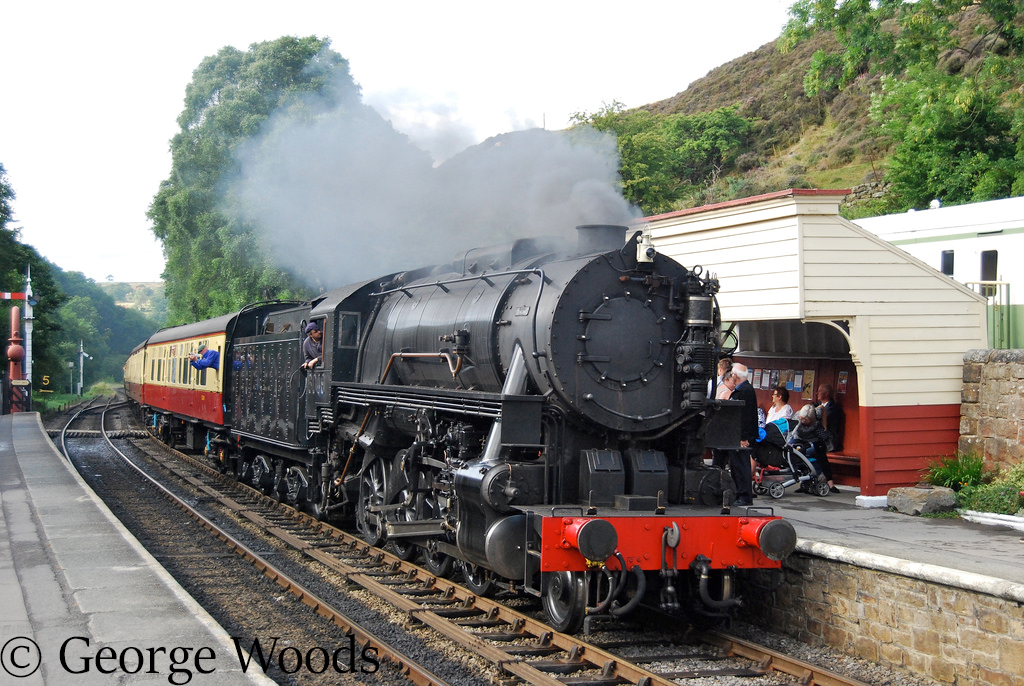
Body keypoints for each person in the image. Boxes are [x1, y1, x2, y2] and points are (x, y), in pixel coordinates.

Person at [726, 363, 757, 506]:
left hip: (742, 436)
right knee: (735, 466)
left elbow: (745, 416)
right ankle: (739, 493)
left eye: (732, 374)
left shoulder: (745, 391)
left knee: (741, 466)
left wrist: (743, 437)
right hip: (735, 434)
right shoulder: (741, 390)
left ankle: (744, 496)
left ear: (735, 375)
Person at [793, 403, 838, 493]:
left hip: (815, 436)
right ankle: (804, 483)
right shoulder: (798, 419)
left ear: (812, 418)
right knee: (800, 457)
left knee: (822, 455)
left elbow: (823, 408)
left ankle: (831, 484)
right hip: (800, 438)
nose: (803, 421)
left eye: (806, 420)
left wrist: (824, 425)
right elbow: (792, 433)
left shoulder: (817, 412)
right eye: (802, 419)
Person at [816, 384, 845, 454]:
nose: (817, 393)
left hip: (829, 443)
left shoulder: (833, 408)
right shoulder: (818, 405)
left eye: (819, 391)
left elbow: (820, 421)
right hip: (820, 441)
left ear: (826, 393)